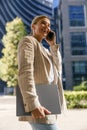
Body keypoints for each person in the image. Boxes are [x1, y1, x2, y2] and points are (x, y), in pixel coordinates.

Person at [17, 15, 66, 130]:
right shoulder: (28, 41)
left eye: (49, 25)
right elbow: (25, 72)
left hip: (49, 100)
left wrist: (53, 45)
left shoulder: (44, 49)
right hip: (38, 102)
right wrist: (33, 104)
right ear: (33, 26)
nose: (47, 27)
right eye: (43, 23)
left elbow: (58, 67)